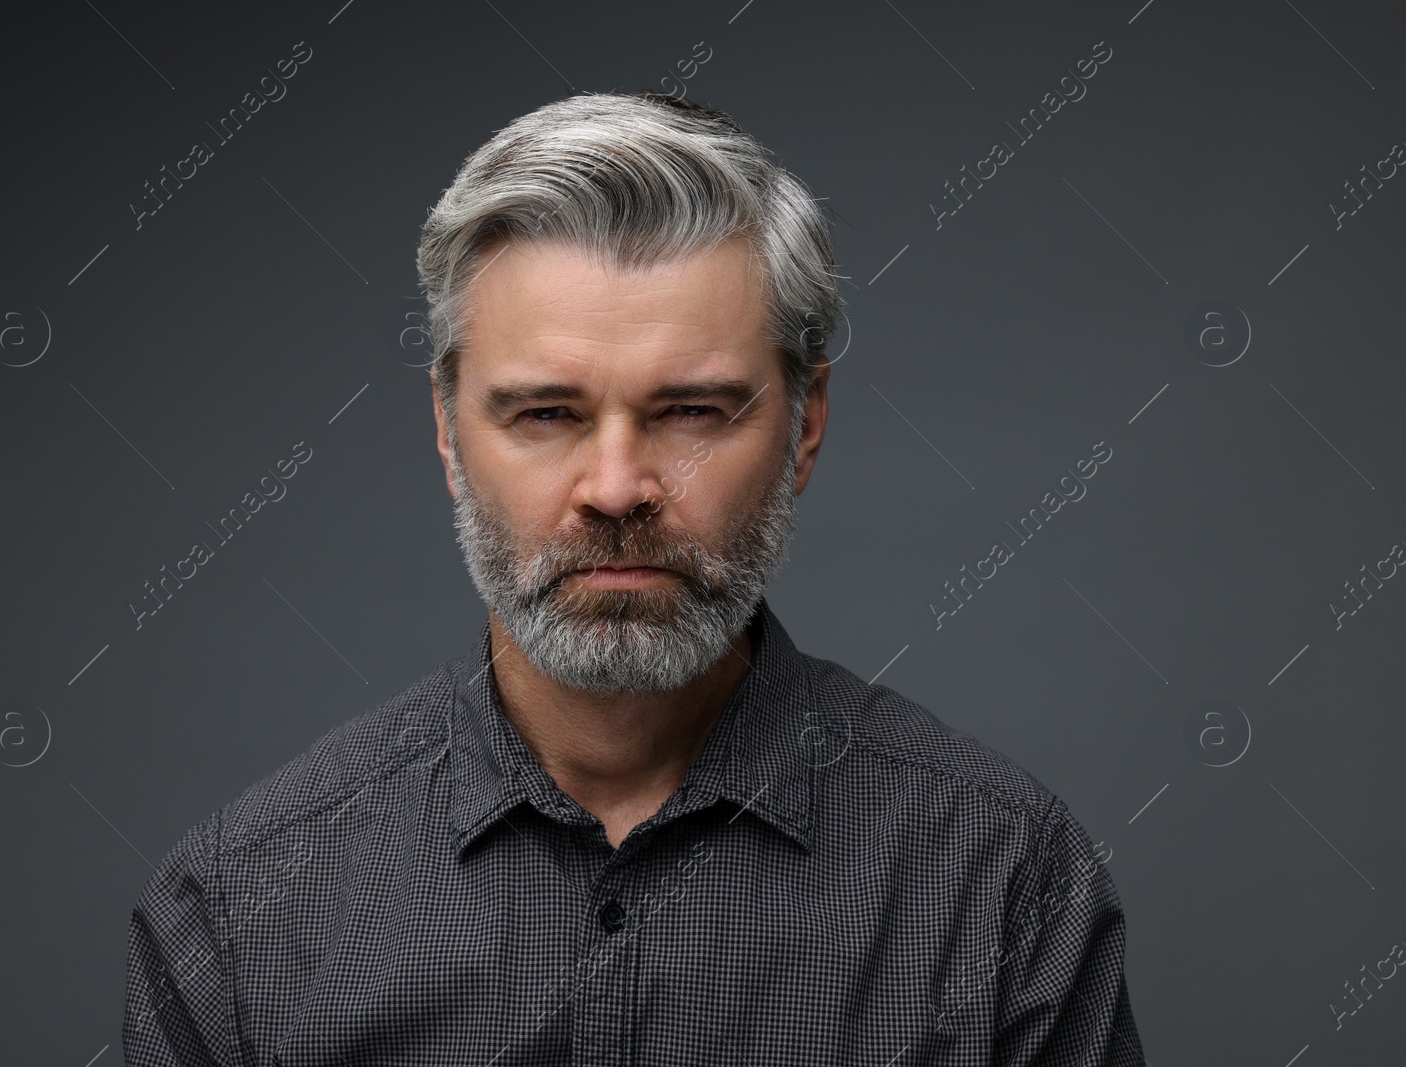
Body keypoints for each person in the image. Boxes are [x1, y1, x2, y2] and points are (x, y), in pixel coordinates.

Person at [123, 90, 1145, 1065]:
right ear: (444, 425)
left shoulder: (1004, 879)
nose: (615, 489)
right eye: (545, 414)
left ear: (805, 423)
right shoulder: (238, 910)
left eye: (693, 411)